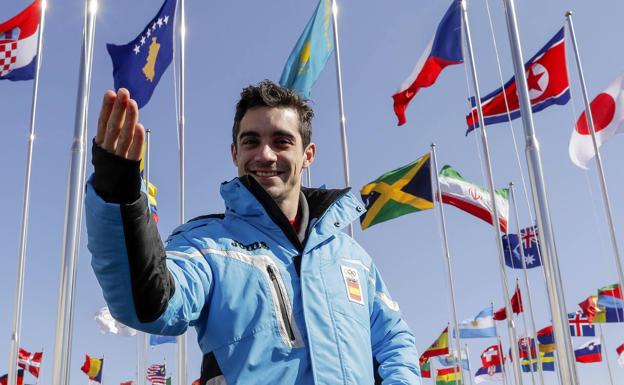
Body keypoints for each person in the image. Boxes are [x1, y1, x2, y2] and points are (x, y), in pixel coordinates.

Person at [86, 80, 421, 384]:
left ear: (308, 155)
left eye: (281, 141)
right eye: (251, 141)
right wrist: (117, 191)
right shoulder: (205, 245)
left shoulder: (353, 257)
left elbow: (393, 342)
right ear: (235, 153)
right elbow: (150, 305)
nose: (265, 154)